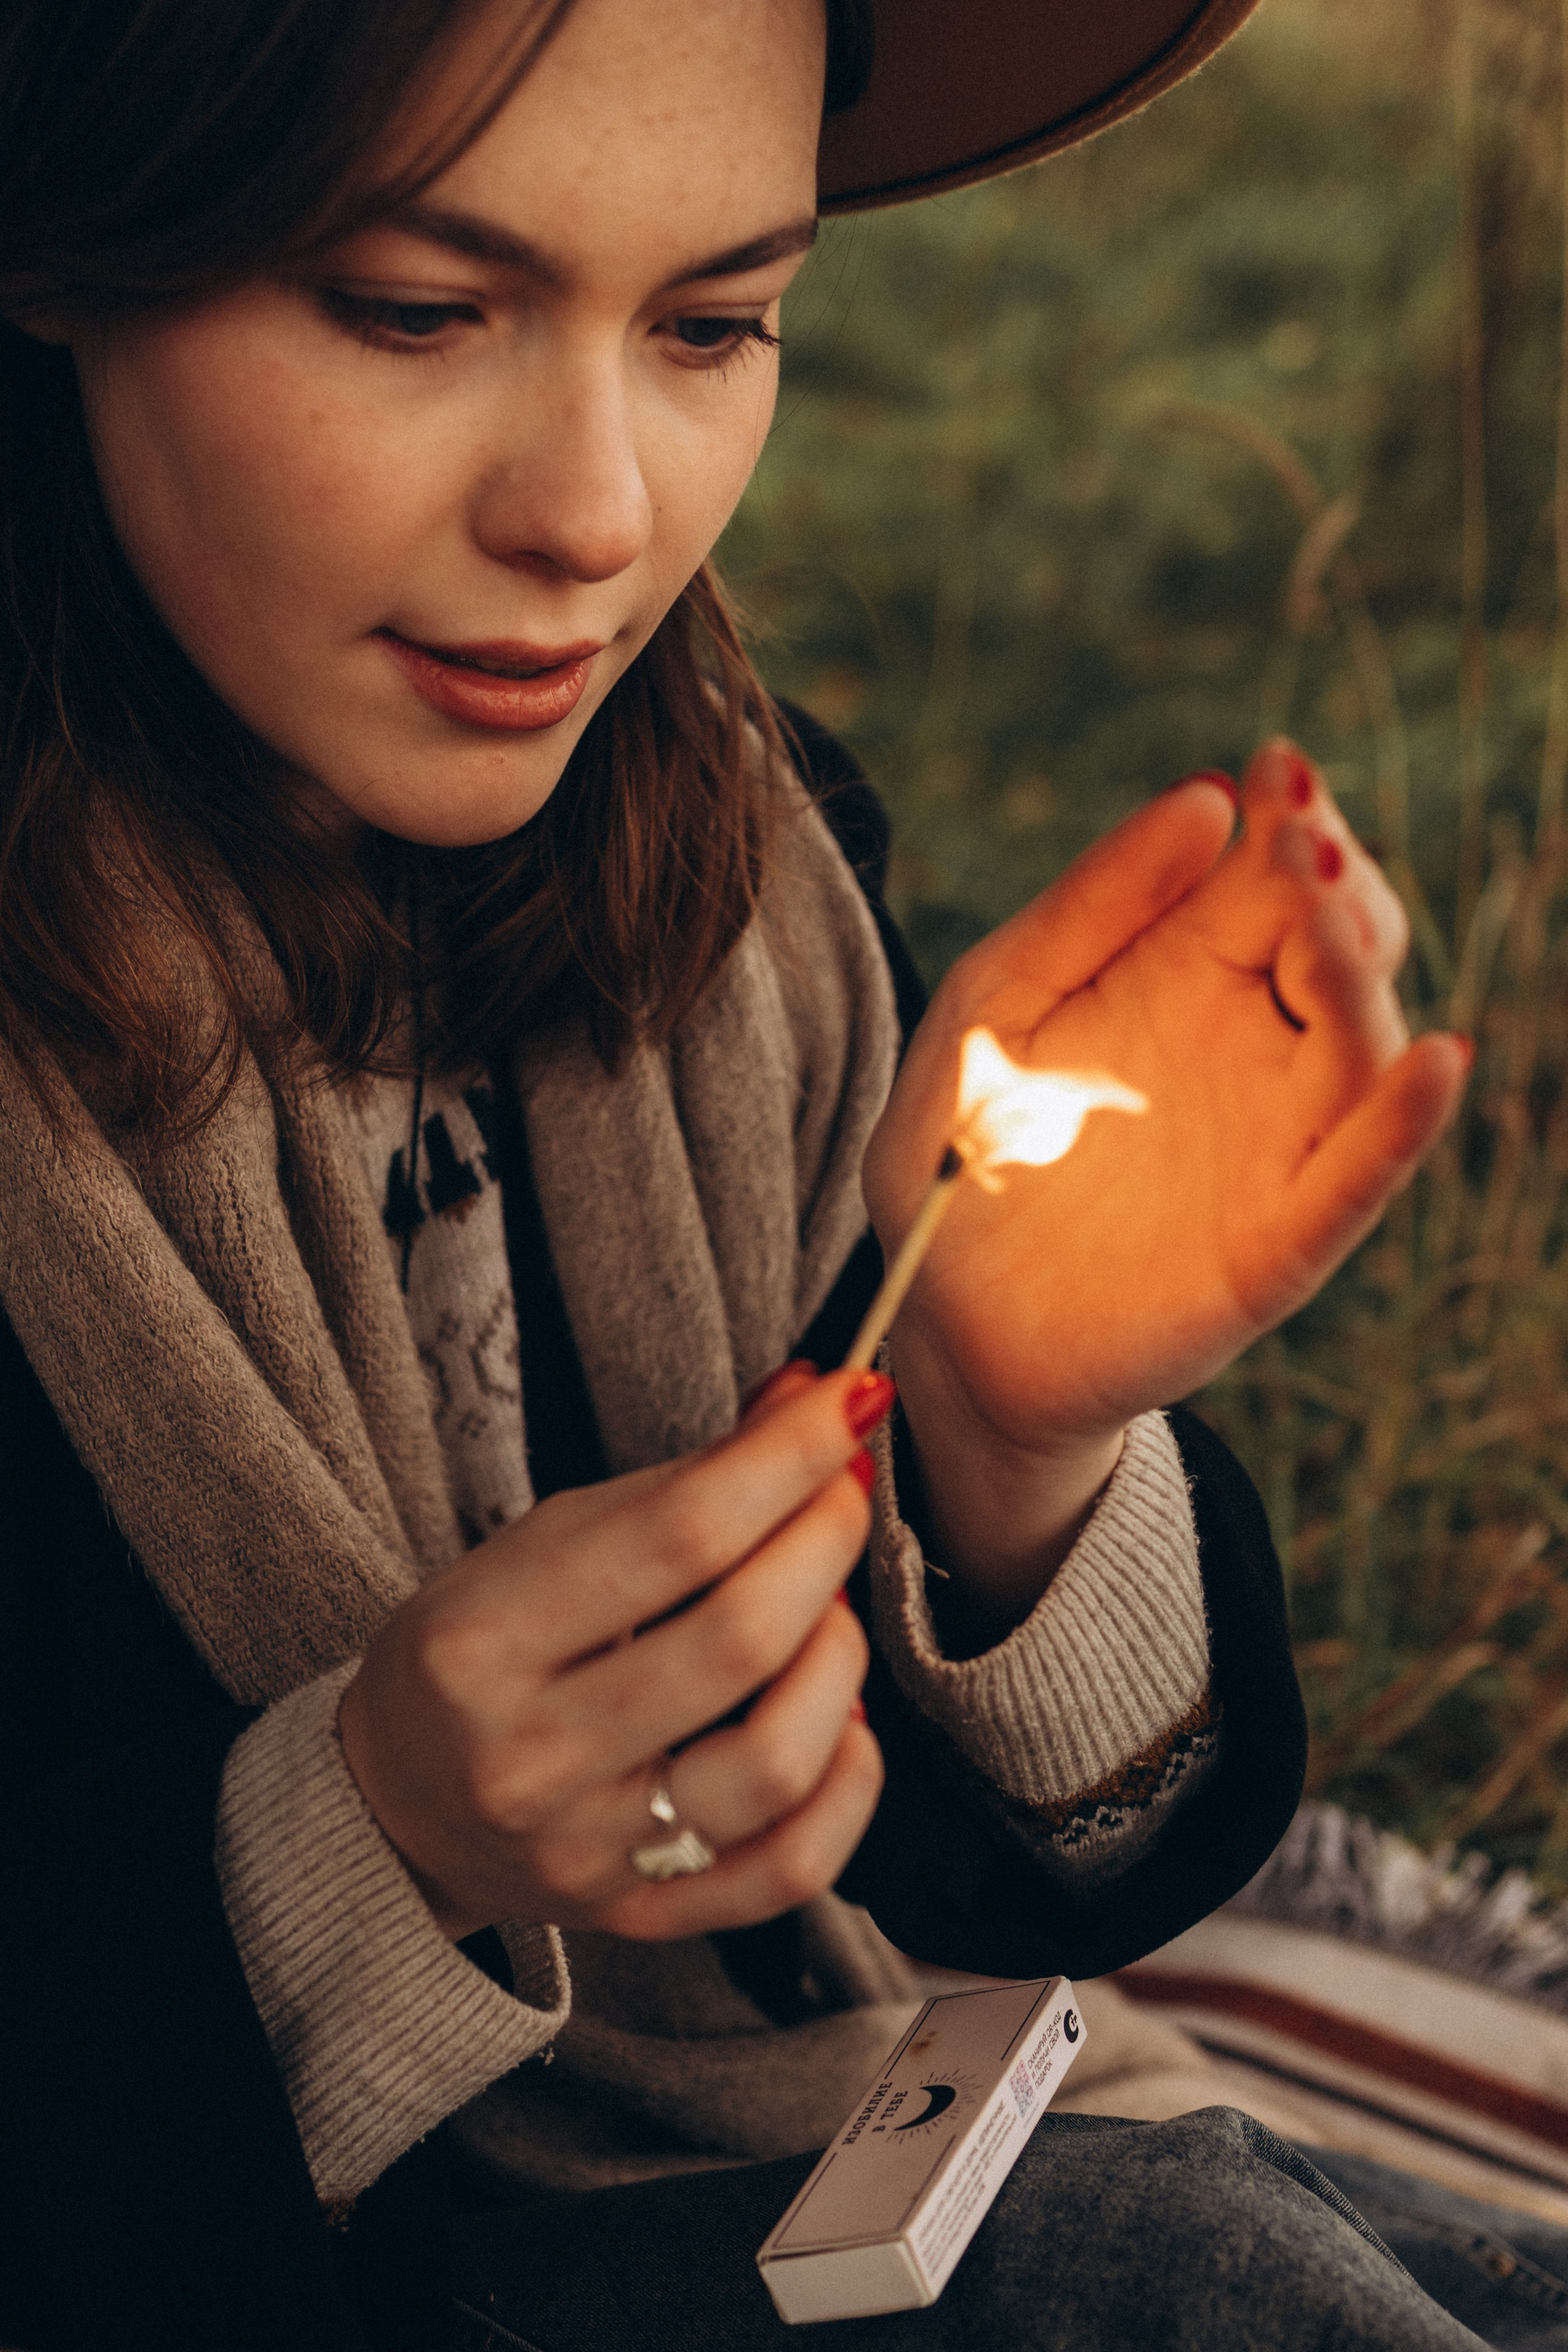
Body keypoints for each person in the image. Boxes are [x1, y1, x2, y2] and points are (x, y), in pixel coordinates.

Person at [0, 1, 1485, 2346]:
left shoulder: (744, 883)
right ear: (65, 224)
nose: (596, 515)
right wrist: (359, 1851)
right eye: (414, 309)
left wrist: (1010, 1442)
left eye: (715, 323)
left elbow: (994, 1889)